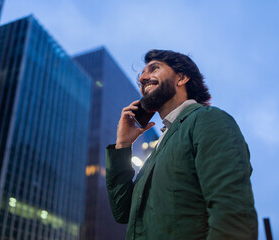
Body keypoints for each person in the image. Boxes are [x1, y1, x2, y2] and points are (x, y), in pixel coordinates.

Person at [105, 49, 258, 240]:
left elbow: (232, 213)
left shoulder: (208, 119)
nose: (143, 78)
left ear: (182, 77)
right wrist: (123, 145)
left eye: (154, 68)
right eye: (141, 74)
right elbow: (122, 212)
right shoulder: (161, 145)